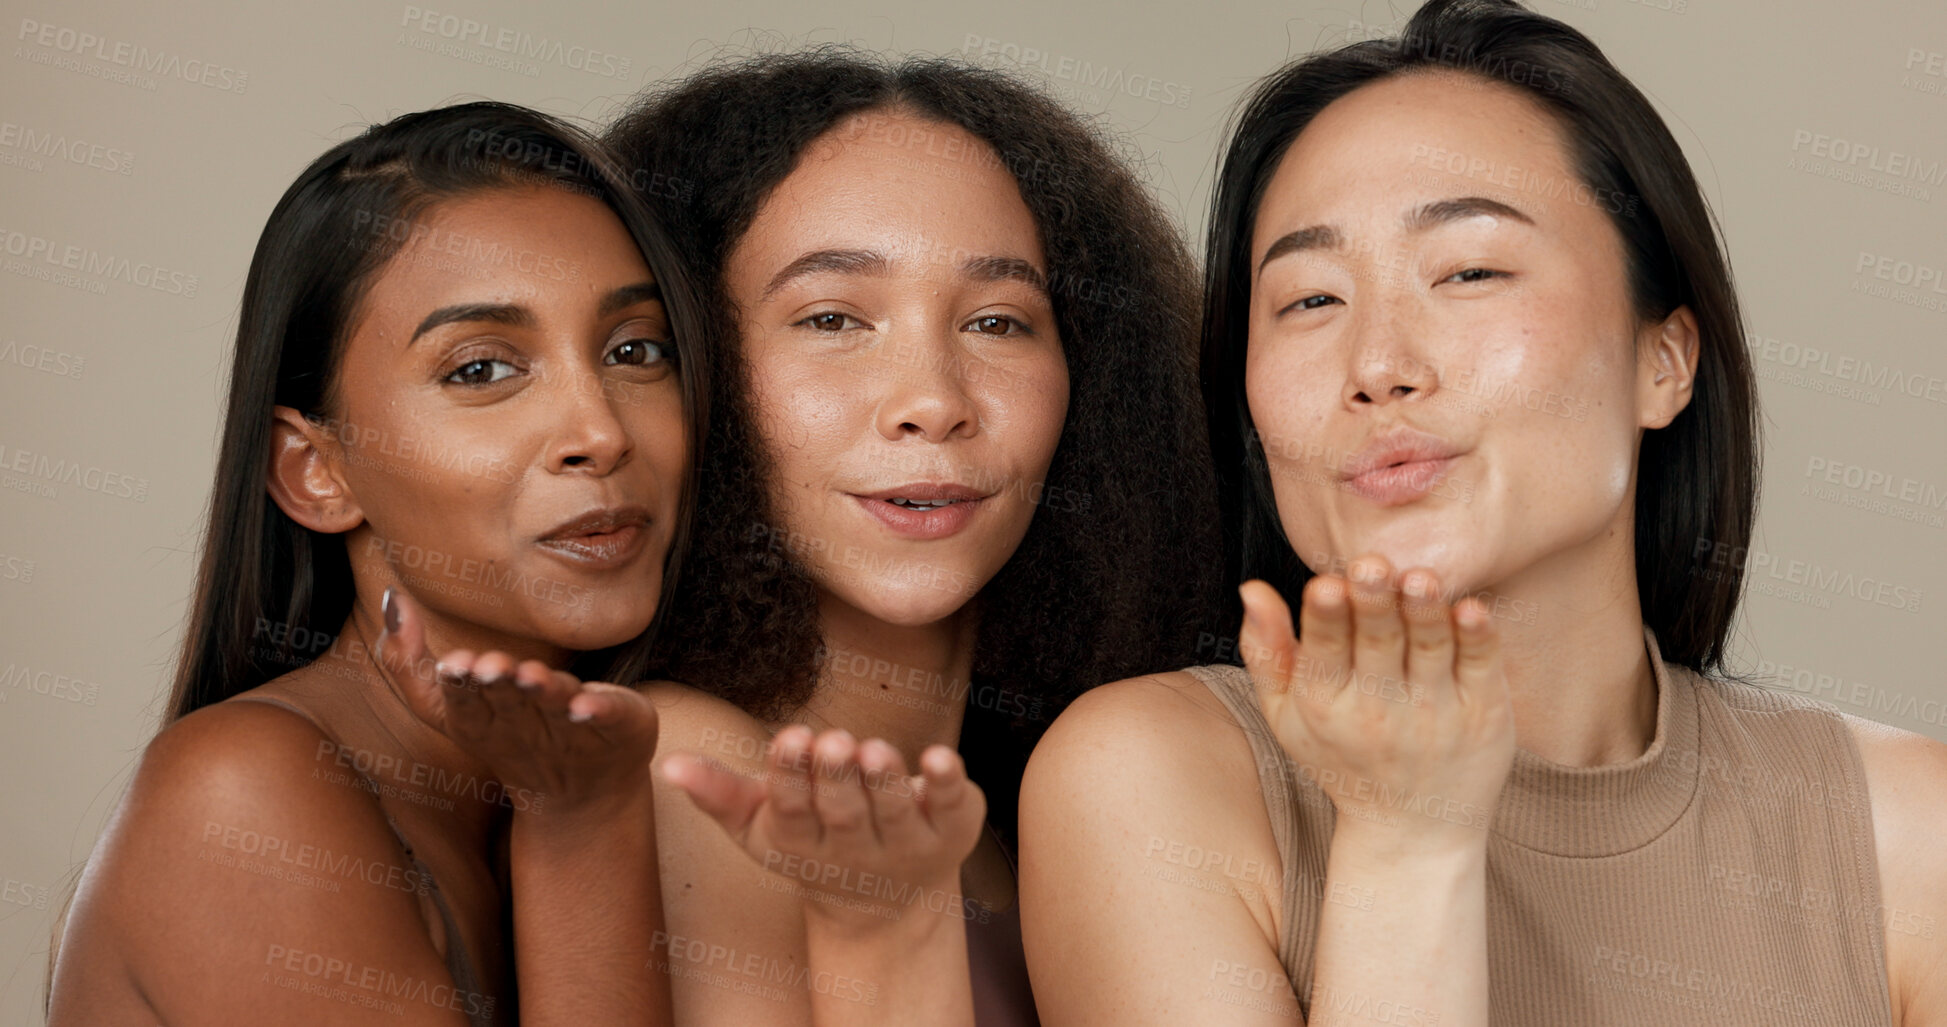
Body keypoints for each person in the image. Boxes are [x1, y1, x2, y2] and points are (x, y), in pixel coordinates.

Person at [1018, 1, 1947, 1024]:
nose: (1378, 367)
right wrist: (1407, 839)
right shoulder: (1150, 783)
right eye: (1310, 301)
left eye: (1469, 271)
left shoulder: (1904, 834)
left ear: (1664, 360)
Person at [593, 50, 1225, 1026]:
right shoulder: (693, 768)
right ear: (692, 364)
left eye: (998, 322)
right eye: (834, 317)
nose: (932, 401)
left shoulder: (1039, 801)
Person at [47, 101, 711, 1026]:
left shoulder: (643, 774)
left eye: (635, 350)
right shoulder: (245, 797)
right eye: (481, 369)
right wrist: (582, 827)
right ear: (316, 470)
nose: (599, 432)